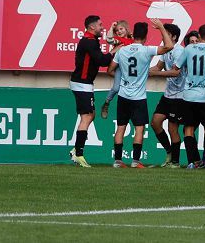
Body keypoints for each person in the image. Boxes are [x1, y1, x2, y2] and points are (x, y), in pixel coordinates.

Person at [106, 19, 174, 168]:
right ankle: (135, 161)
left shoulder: (122, 50)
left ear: (133, 34)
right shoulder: (146, 50)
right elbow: (169, 46)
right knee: (139, 129)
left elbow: (110, 70)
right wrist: (161, 27)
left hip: (123, 95)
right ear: (145, 36)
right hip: (138, 97)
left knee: (121, 127)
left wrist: (123, 79)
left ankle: (117, 161)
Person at [69, 15, 115, 168]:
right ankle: (79, 154)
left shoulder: (91, 40)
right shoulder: (88, 41)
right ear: (92, 27)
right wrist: (115, 50)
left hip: (84, 84)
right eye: (100, 25)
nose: (103, 27)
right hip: (82, 84)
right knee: (87, 116)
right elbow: (102, 61)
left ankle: (76, 150)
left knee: (90, 115)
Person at [177, 23, 205, 168]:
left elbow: (177, 67)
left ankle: (191, 162)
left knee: (188, 128)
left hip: (189, 95)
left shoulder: (188, 48)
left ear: (199, 36)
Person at [149, 24, 185, 167]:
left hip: (179, 96)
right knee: (155, 122)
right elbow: (157, 67)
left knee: (172, 129)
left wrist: (156, 73)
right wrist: (142, 71)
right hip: (168, 94)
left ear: (174, 37)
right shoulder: (166, 50)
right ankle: (169, 152)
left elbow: (176, 72)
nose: (163, 36)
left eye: (166, 33)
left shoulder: (179, 51)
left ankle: (175, 162)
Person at [99, 20, 133, 120]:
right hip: (119, 67)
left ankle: (129, 110)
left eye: (121, 29)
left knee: (129, 89)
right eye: (117, 30)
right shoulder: (119, 40)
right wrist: (111, 27)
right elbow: (109, 39)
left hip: (129, 69)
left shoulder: (132, 41)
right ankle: (106, 103)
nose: (119, 31)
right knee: (116, 88)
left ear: (126, 29)